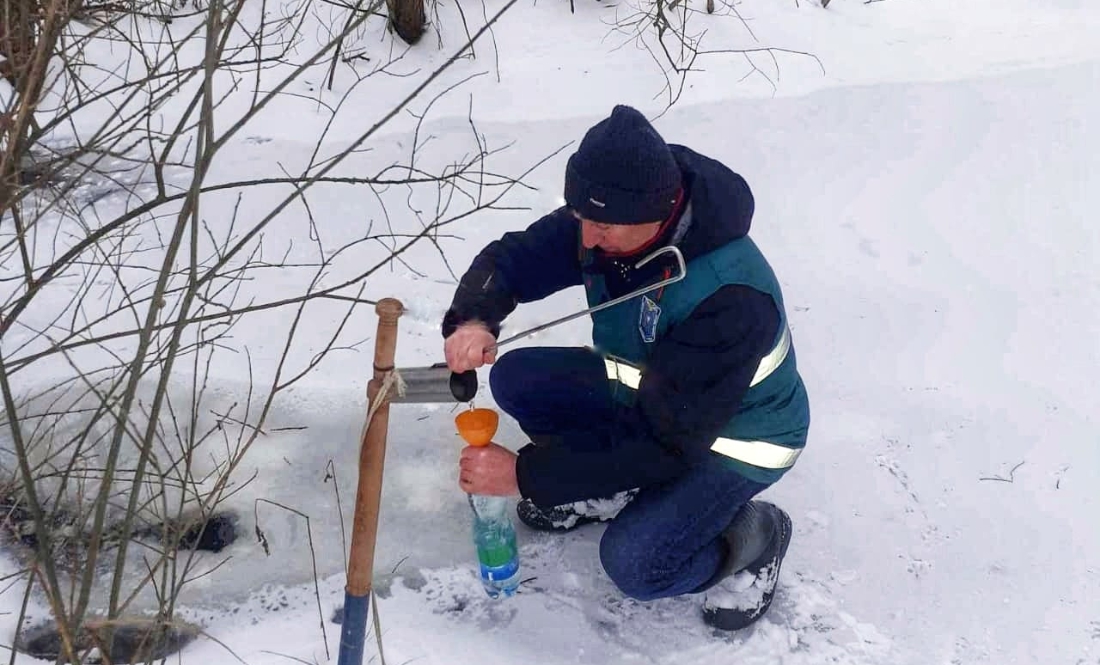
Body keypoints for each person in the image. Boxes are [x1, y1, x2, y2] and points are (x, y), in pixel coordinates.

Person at [442, 104, 810, 630]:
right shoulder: (609, 216)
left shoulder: (730, 297)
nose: (587, 240)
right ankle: (607, 487)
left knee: (636, 563)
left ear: (657, 214)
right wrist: (474, 319)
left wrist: (524, 475)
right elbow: (512, 259)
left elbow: (665, 443)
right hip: (656, 402)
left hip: (732, 442)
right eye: (581, 219)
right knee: (519, 379)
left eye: (602, 226)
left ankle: (754, 538)